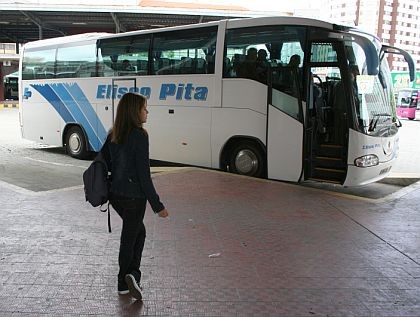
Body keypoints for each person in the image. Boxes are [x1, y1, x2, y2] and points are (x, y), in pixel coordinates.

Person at [108, 92, 169, 300]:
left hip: (115, 195)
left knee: (137, 233)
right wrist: (157, 205)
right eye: (144, 108)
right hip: (134, 198)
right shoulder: (140, 136)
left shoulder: (113, 133)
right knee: (130, 237)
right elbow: (144, 175)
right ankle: (127, 279)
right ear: (135, 112)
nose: (147, 112)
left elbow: (107, 164)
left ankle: (130, 276)